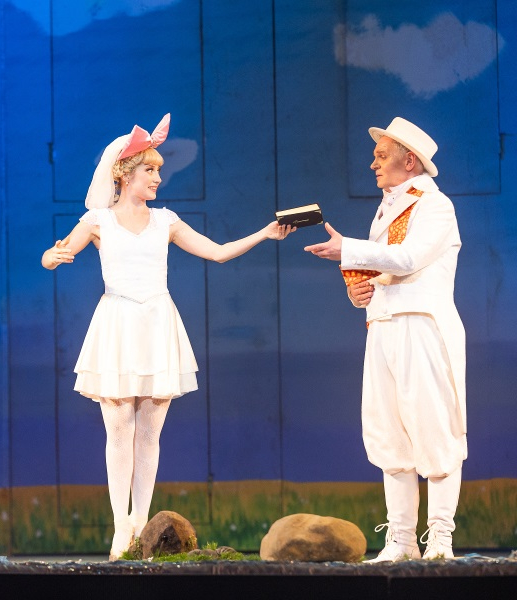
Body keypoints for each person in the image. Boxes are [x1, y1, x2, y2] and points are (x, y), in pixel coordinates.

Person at [42, 114, 294, 560]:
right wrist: (53, 256)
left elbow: (217, 253)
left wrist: (265, 233)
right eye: (151, 170)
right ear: (125, 175)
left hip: (157, 323)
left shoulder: (166, 221)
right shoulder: (99, 221)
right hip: (118, 323)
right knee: (118, 430)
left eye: (158, 170)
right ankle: (121, 525)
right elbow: (55, 253)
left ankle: (141, 522)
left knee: (149, 434)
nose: (158, 178)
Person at [304, 117, 466, 561]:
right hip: (384, 326)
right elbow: (386, 269)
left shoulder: (435, 205)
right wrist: (360, 290)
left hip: (421, 325)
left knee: (434, 428)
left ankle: (440, 538)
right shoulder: (386, 208)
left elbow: (410, 258)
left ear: (409, 161)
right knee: (388, 434)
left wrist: (349, 249)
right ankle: (401, 539)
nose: (373, 163)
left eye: (381, 155)